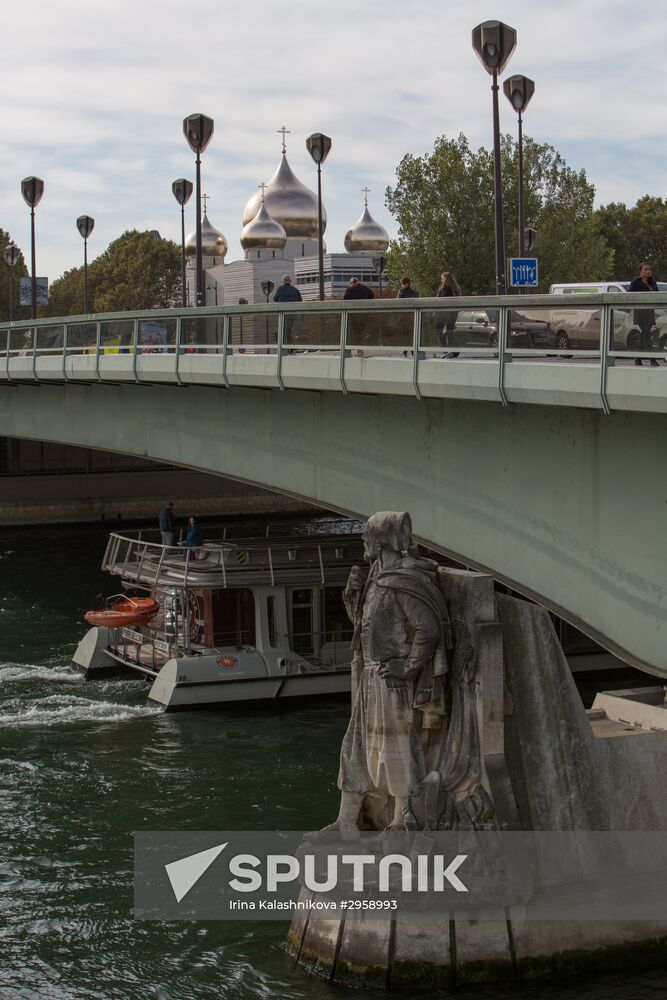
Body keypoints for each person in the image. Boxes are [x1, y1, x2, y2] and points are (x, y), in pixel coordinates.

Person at [326, 512, 451, 832]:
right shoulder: (376, 577)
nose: (364, 542)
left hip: (392, 682)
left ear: (380, 540)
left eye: (367, 536)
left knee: (396, 747)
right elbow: (365, 627)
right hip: (370, 676)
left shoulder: (405, 580)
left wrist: (408, 668)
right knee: (356, 746)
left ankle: (403, 816)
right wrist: (353, 595)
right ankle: (346, 820)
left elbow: (429, 629)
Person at [628, 262, 660, 367]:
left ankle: (637, 357)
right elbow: (629, 295)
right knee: (646, 334)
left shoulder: (652, 282)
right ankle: (653, 359)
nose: (648, 271)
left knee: (644, 335)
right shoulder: (636, 282)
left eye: (649, 269)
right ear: (640, 271)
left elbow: (657, 295)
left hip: (650, 313)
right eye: (645, 269)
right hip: (640, 313)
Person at [436, 271, 462, 358]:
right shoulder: (455, 288)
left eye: (442, 278)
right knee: (449, 331)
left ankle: (445, 350)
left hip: (444, 313)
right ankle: (453, 350)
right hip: (453, 313)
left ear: (445, 279)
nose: (441, 280)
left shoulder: (445, 288)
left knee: (439, 331)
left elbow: (441, 300)